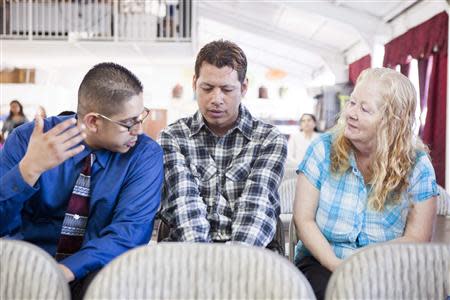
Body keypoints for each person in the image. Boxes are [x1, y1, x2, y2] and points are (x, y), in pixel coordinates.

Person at [0, 62, 164, 299]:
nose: (139, 130)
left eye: (141, 117)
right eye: (129, 123)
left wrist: (61, 272)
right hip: (24, 269)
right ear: (93, 122)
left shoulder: (144, 155)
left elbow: (129, 232)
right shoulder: (29, 140)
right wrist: (28, 171)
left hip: (100, 275)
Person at [293, 68, 438, 300]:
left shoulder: (417, 165)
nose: (351, 113)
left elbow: (417, 238)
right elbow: (303, 219)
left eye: (364, 109)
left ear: (392, 122)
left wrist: (365, 261)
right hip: (323, 262)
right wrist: (337, 264)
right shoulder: (323, 148)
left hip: (387, 267)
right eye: (352, 103)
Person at [158, 40, 287, 249]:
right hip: (189, 252)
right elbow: (184, 204)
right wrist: (206, 265)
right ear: (194, 84)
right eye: (207, 88)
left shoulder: (268, 139)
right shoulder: (173, 137)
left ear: (244, 88)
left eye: (227, 89)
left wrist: (232, 267)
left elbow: (256, 207)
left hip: (250, 255)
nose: (216, 99)